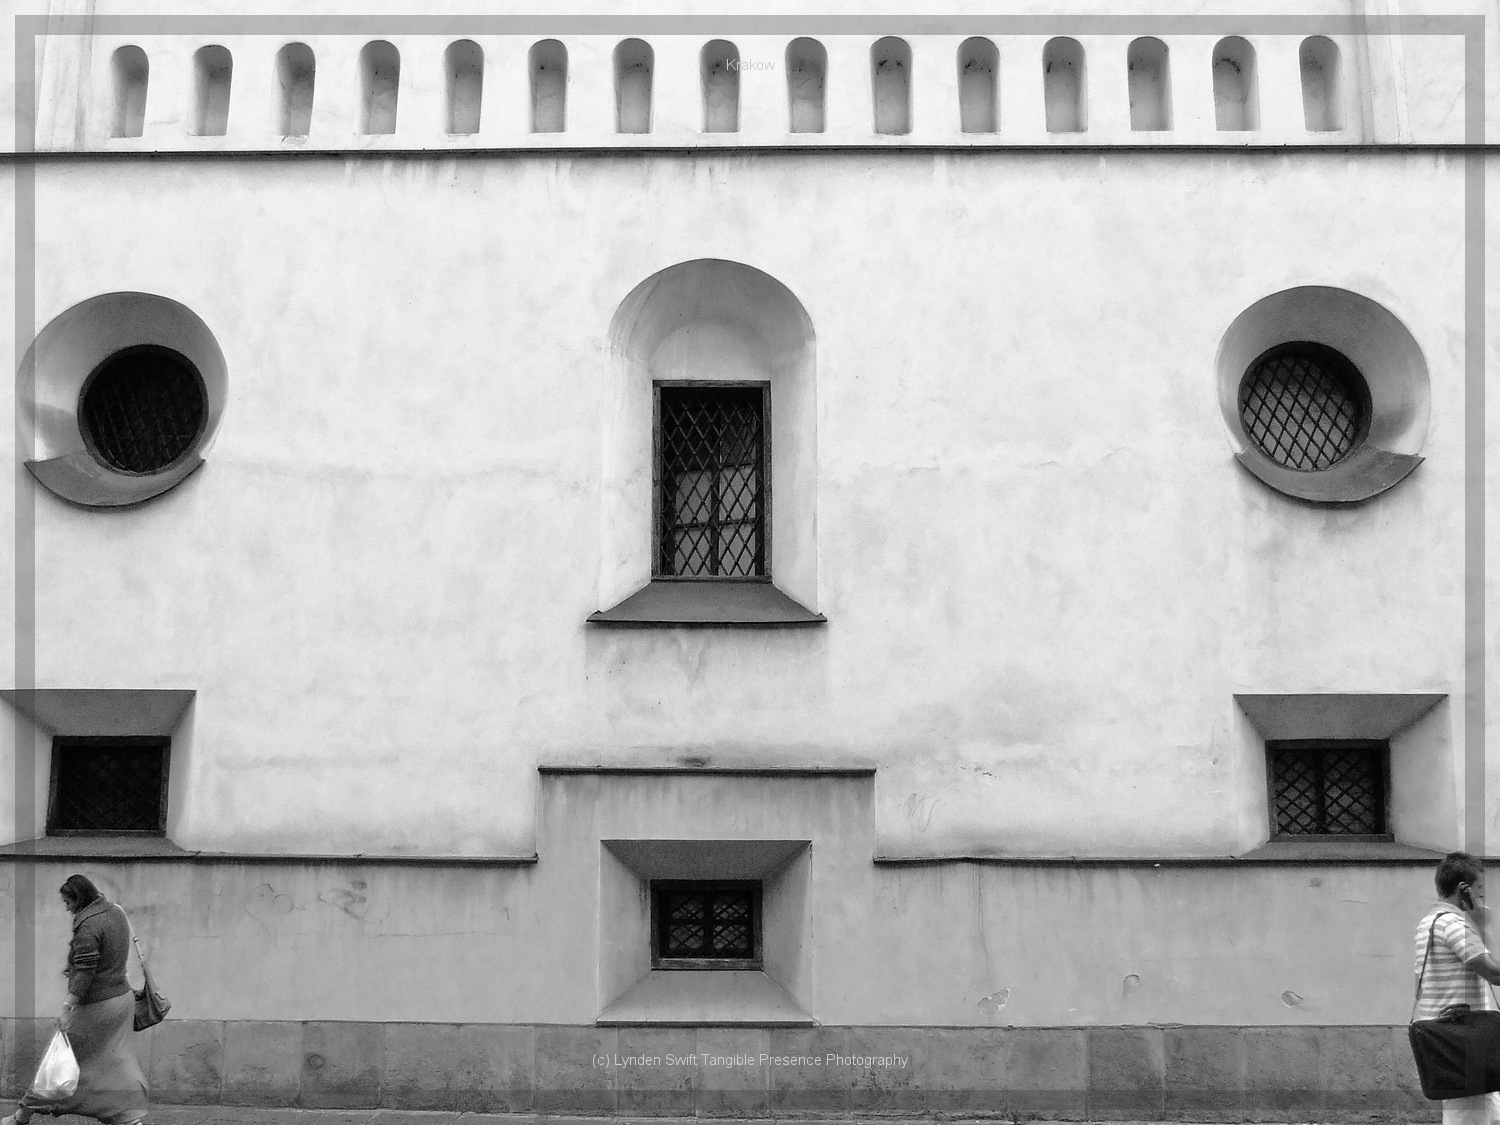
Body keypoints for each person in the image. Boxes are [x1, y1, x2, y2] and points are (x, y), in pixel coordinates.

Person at [2, 875, 147, 1125]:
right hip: (122, 1000)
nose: (66, 908)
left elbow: (86, 971)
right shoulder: (115, 912)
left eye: (68, 902)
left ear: (79, 899)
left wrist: (67, 1006)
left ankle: (21, 1117)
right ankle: (129, 1117)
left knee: (55, 1064)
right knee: (116, 1063)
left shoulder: (88, 926)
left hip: (98, 1005)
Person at [1415, 852, 1500, 1125]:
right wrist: (1484, 925)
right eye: (1480, 892)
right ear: (1464, 890)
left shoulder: (1430, 922)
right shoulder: (1454, 924)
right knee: (1468, 1115)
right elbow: (1496, 972)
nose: (1482, 900)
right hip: (1466, 1039)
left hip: (1456, 1036)